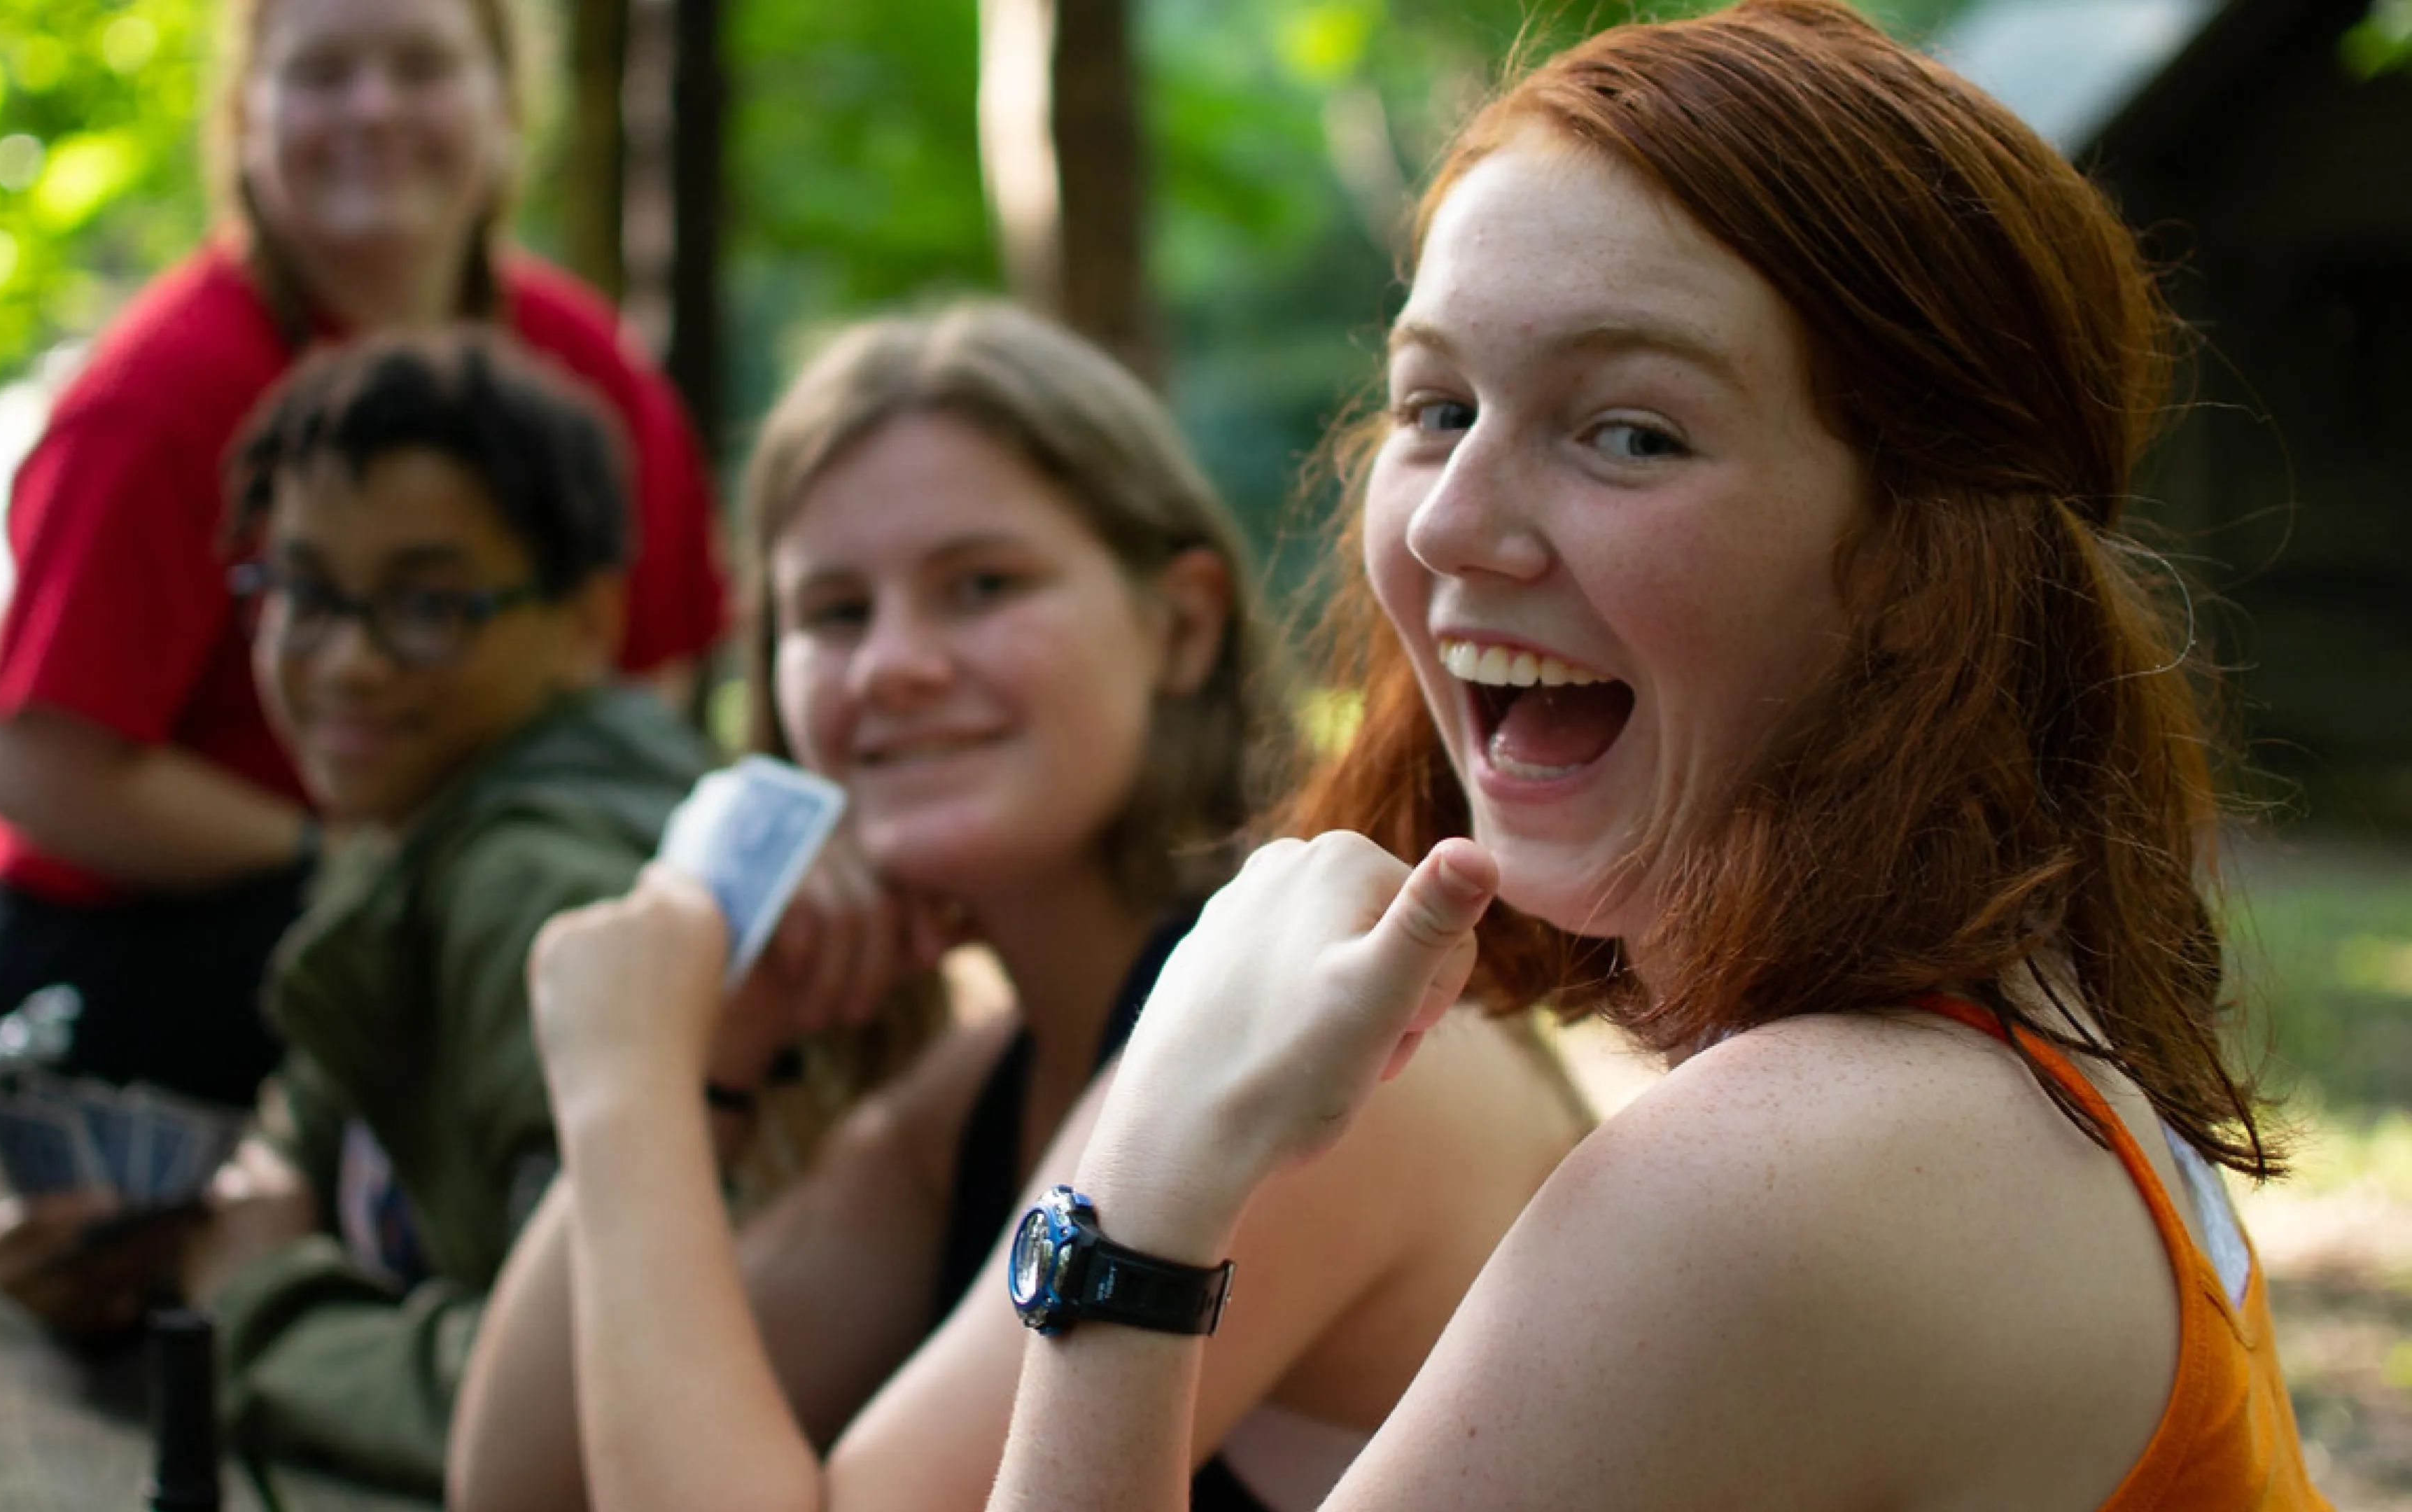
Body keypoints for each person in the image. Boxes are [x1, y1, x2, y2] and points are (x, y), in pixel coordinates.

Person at [981, 4, 2333, 1510]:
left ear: (1915, 557)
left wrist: (1145, 1193)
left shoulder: (1783, 1179)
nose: (1443, 522)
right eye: (1438, 406)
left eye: (1630, 433)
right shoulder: (2008, 1077)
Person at [444, 304, 1592, 1512]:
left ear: (1181, 624)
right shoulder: (980, 1089)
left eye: (980, 585)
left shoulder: (1331, 1038)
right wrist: (706, 1066)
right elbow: (520, 1486)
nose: (893, 663)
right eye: (834, 612)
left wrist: (626, 1088)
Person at [0, 327, 718, 1493]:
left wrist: (253, 1312)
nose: (350, 663)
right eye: (306, 592)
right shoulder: (405, 844)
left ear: (585, 625)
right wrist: (159, 1249)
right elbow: (302, 1167)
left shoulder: (542, 901)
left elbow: (601, 1393)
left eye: (429, 604)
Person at [0, 0, 726, 1110]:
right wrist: (359, 865)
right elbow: (40, 766)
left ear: (507, 105)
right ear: (242, 120)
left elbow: (647, 681)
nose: (373, 108)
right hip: (159, 950)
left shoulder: (585, 371)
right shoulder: (156, 402)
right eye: (323, 75)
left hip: (497, 898)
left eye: (420, 66)